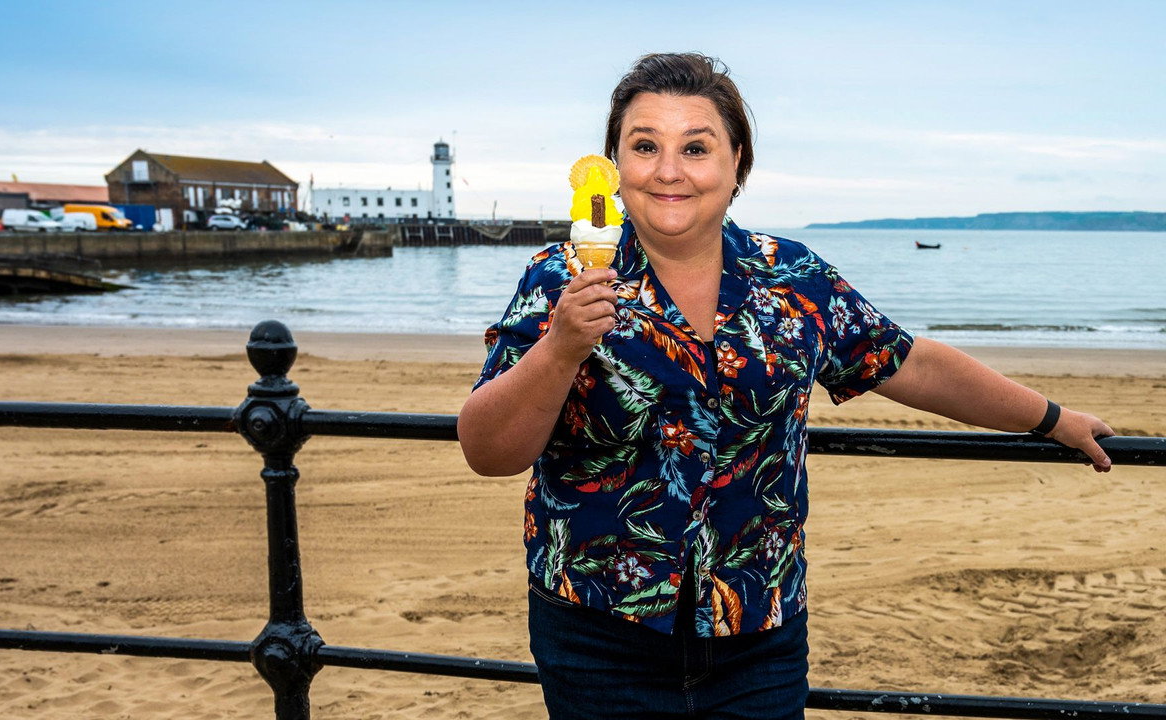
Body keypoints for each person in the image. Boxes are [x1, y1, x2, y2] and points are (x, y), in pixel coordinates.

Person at [457, 52, 1115, 720]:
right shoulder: (558, 278)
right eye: (645, 146)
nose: (668, 171)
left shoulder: (793, 279)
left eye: (696, 147)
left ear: (737, 162)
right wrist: (562, 345)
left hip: (757, 634)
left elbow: (910, 364)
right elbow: (488, 449)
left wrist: (1052, 418)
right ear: (613, 165)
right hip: (597, 632)